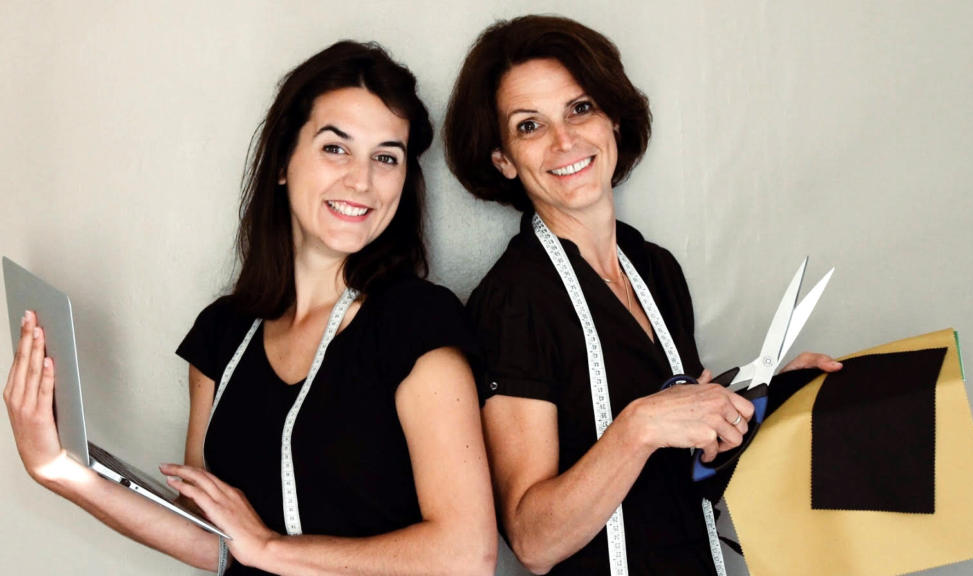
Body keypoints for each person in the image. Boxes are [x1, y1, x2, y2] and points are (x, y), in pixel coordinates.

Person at [5, 41, 496, 576]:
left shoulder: (419, 323)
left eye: (386, 157)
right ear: (283, 162)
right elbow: (214, 542)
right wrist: (60, 471)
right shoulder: (222, 334)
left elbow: (464, 555)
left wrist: (270, 549)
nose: (361, 179)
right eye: (335, 148)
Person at [444, 15, 841, 576]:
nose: (565, 140)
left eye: (580, 108)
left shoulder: (655, 269)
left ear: (614, 122)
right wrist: (639, 427)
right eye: (530, 126)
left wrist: (765, 402)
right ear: (503, 160)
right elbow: (533, 540)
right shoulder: (514, 301)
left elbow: (691, 467)